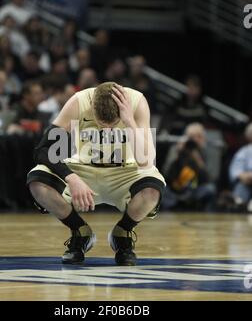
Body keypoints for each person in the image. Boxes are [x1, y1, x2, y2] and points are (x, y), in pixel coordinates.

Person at [27, 82, 166, 266]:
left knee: (152, 190)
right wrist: (71, 177)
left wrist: (129, 121)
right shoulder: (79, 102)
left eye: (113, 124)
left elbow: (146, 161)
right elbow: (43, 150)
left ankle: (122, 233)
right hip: (83, 169)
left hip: (125, 172)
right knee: (38, 181)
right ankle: (80, 232)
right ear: (93, 108)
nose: (107, 130)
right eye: (102, 124)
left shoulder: (137, 102)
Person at [162, 124, 216, 212]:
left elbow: (209, 178)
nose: (195, 139)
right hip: (175, 190)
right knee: (162, 188)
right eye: (191, 136)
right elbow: (166, 174)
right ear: (185, 138)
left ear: (203, 139)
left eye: (199, 136)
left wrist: (198, 159)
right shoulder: (176, 150)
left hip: (195, 190)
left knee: (210, 188)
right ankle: (173, 206)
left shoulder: (206, 152)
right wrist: (177, 154)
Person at [229, 123, 252, 210]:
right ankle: (238, 209)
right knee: (241, 186)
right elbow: (237, 174)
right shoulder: (243, 152)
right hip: (247, 185)